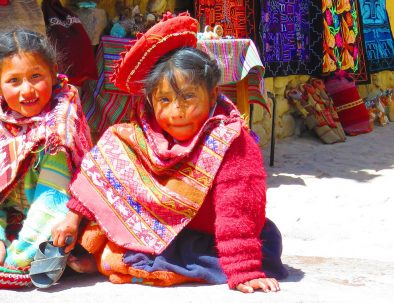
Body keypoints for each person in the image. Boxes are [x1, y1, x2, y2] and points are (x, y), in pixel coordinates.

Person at [52, 13, 288, 293]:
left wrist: (244, 269)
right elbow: (98, 178)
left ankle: (115, 260)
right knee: (103, 206)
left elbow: (237, 212)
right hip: (155, 227)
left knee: (261, 248)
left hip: (209, 234)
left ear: (212, 96)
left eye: (189, 97)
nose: (177, 111)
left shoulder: (231, 142)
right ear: (150, 101)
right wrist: (72, 218)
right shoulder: (132, 136)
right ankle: (104, 254)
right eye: (165, 99)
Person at [0, 28, 92, 280]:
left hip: (57, 215)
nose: (27, 90)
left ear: (53, 73)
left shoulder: (61, 117)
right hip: (12, 217)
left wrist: (17, 257)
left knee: (54, 151)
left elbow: (53, 196)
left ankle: (31, 250)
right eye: (13, 80)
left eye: (35, 76)